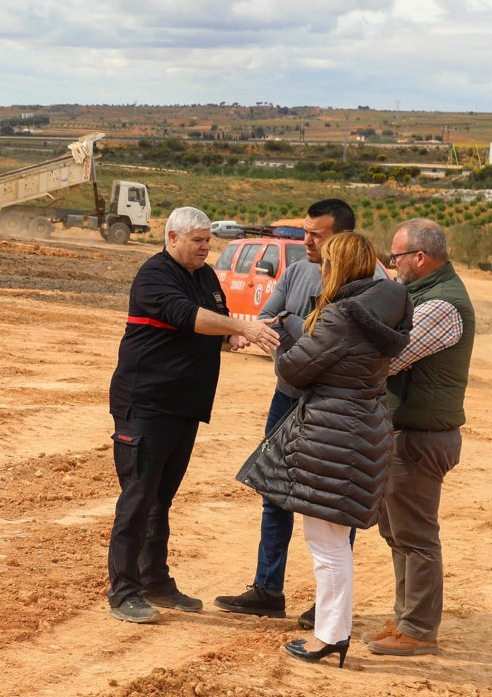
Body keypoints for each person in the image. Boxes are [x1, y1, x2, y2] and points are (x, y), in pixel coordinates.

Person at [237, 232, 413, 667]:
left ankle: (330, 635)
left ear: (340, 268)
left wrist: (289, 335)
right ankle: (331, 631)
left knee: (326, 546)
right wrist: (301, 323)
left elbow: (294, 373)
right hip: (360, 430)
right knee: (332, 542)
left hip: (333, 435)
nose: (322, 270)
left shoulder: (339, 318)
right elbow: (338, 352)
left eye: (327, 263)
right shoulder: (386, 308)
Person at [107, 207, 280, 624]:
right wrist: (245, 326)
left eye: (208, 240)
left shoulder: (204, 276)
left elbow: (200, 327)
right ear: (171, 238)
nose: (206, 247)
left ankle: (154, 580)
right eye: (198, 240)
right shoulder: (154, 275)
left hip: (183, 406)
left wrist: (230, 335)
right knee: (137, 498)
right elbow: (187, 316)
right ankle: (123, 590)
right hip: (146, 403)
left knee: (160, 500)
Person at [214, 198, 357, 628]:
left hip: (333, 406)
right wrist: (294, 330)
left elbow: (333, 345)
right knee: (274, 491)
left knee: (333, 506)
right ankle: (267, 589)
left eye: (318, 234)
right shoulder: (295, 271)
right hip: (287, 395)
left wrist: (293, 328)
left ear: (344, 237)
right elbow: (265, 322)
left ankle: (326, 607)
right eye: (306, 231)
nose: (307, 241)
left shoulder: (365, 283)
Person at [365, 219, 475, 656]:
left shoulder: (441, 305)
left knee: (417, 537)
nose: (391, 266)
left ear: (420, 258)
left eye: (396, 257)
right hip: (407, 431)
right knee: (397, 533)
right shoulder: (422, 295)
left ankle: (419, 630)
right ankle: (403, 619)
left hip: (420, 437)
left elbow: (390, 359)